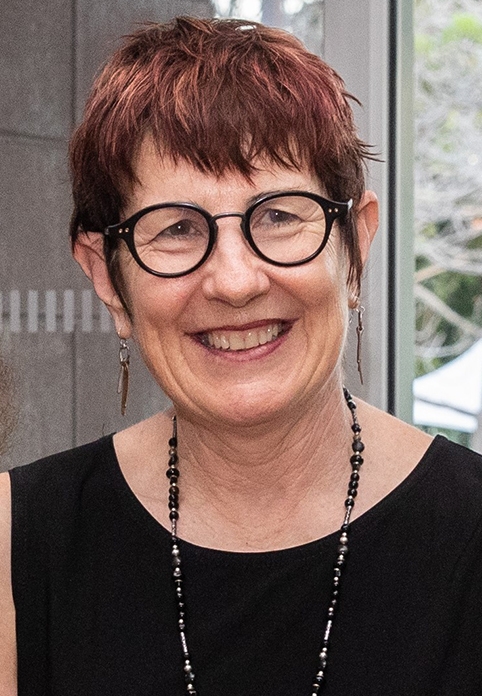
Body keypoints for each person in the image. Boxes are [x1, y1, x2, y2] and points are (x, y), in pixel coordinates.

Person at [1, 16, 482, 696]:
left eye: (280, 215)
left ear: (356, 246)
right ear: (107, 276)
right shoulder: (15, 543)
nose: (234, 281)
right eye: (175, 228)